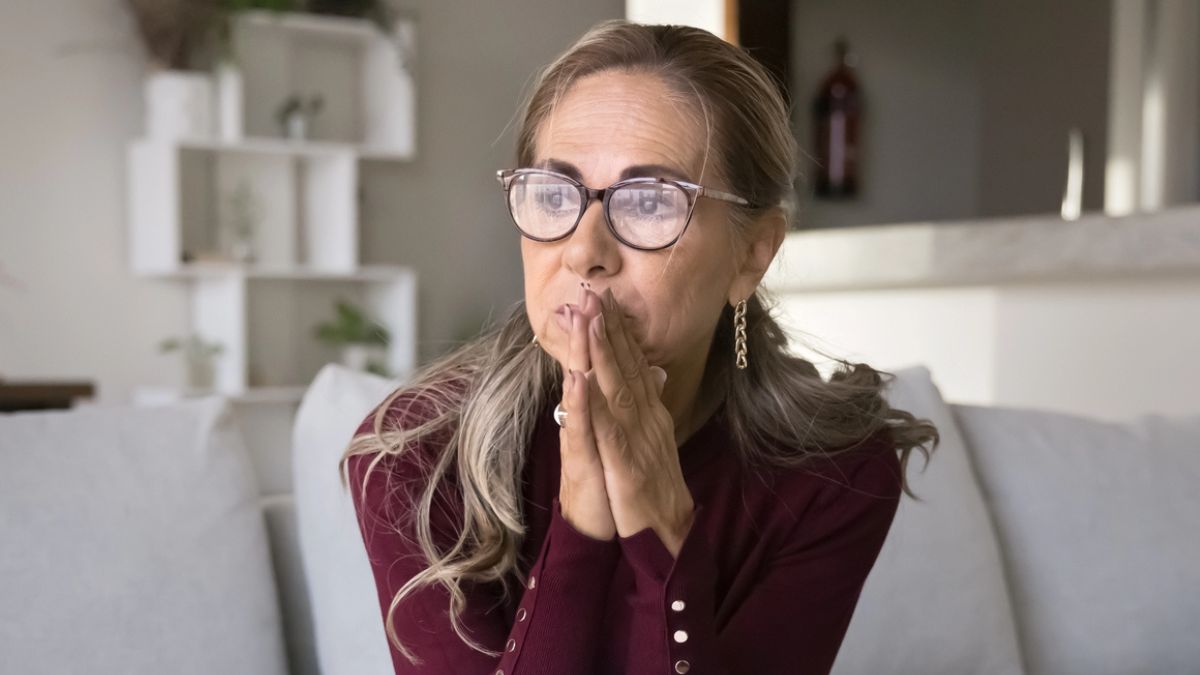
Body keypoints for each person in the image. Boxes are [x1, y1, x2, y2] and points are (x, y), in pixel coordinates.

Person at [341, 19, 939, 675]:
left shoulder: (833, 472)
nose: (583, 251)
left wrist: (663, 542)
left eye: (650, 200)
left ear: (752, 253)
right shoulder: (415, 454)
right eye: (553, 192)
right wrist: (584, 523)